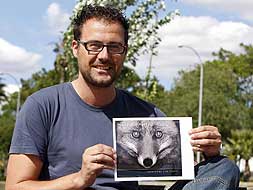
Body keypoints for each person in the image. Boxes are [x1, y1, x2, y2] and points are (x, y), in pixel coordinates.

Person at [5, 4, 240, 190]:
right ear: (76, 48)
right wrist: (79, 179)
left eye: (114, 47)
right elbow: (16, 186)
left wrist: (210, 152)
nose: (105, 56)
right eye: (94, 45)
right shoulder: (42, 105)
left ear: (124, 51)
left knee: (224, 168)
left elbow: (188, 173)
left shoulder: (146, 114)